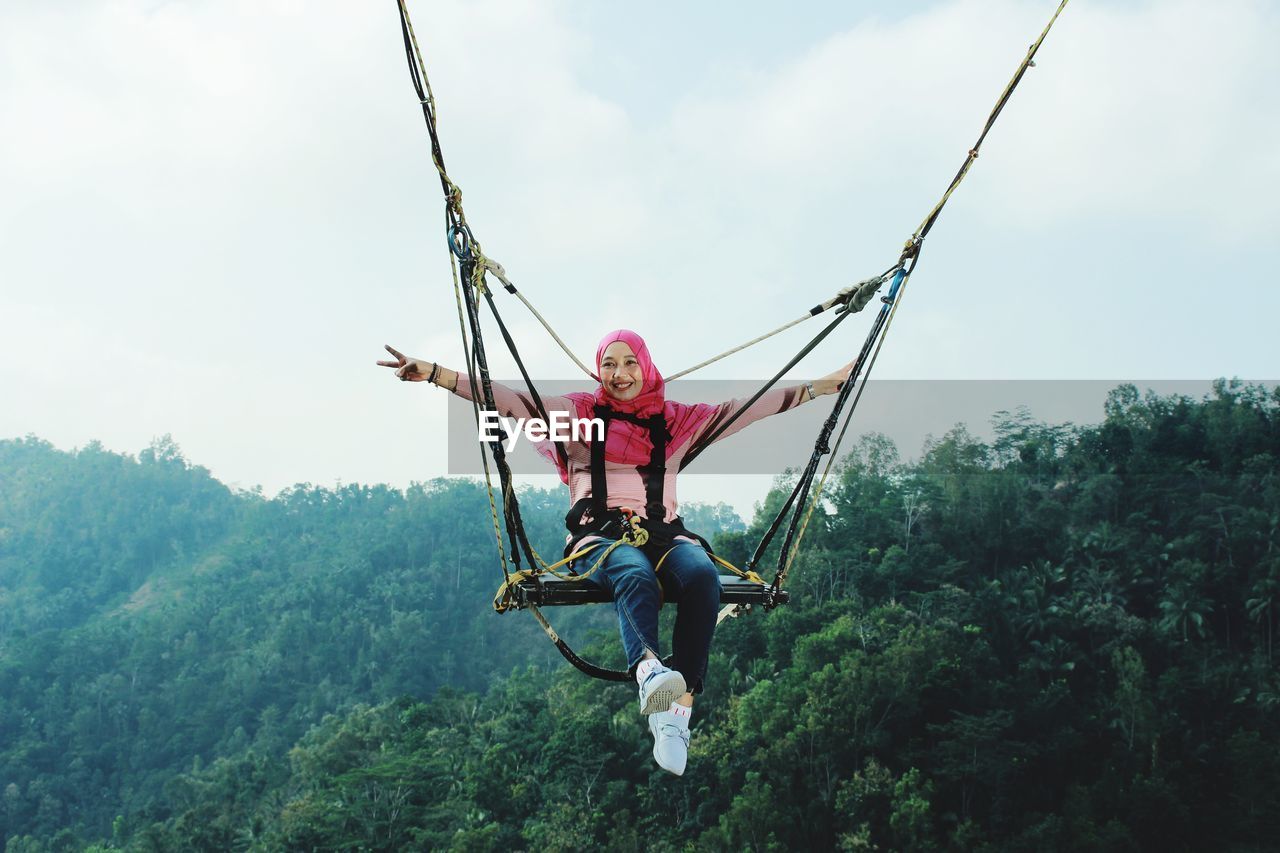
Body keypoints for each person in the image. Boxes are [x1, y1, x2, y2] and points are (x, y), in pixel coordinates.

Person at [378, 330, 850, 775]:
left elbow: (747, 407)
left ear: (645, 366)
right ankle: (649, 672)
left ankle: (677, 708)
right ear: (597, 371)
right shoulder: (579, 414)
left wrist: (823, 386)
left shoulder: (677, 421)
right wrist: (438, 374)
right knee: (633, 570)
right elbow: (508, 399)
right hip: (598, 538)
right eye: (608, 364)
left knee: (703, 576)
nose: (619, 373)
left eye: (628, 363)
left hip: (665, 535)